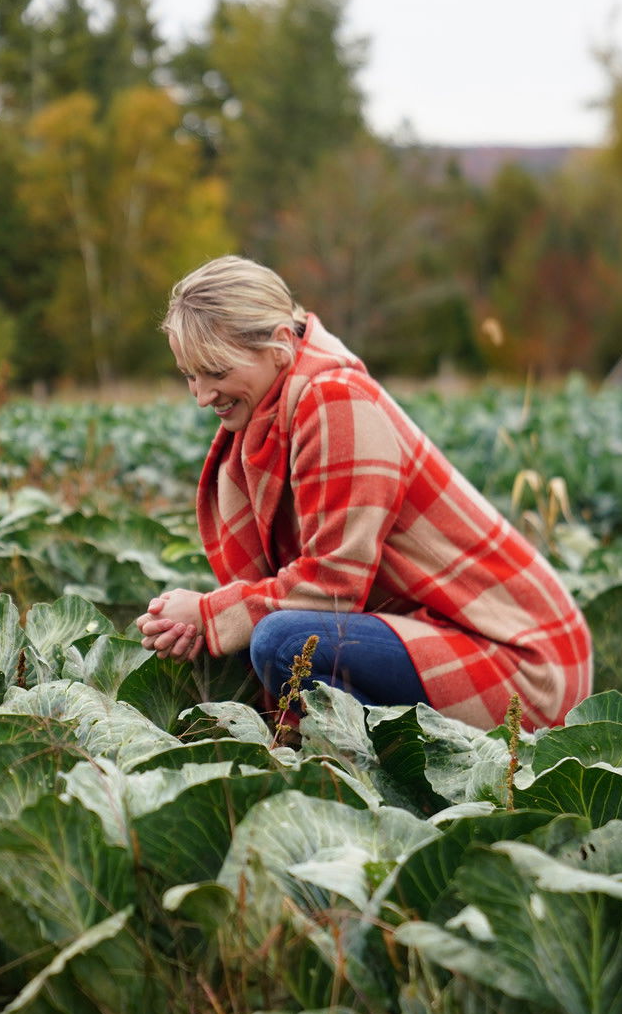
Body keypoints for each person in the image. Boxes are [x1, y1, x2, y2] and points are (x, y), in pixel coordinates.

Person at [135, 256, 590, 732]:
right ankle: (343, 749)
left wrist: (209, 614)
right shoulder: (271, 410)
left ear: (280, 345)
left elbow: (332, 586)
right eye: (190, 375)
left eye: (216, 371)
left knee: (280, 643)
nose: (202, 395)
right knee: (251, 641)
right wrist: (195, 622)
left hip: (521, 661)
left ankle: (372, 762)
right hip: (440, 630)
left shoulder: (334, 400)